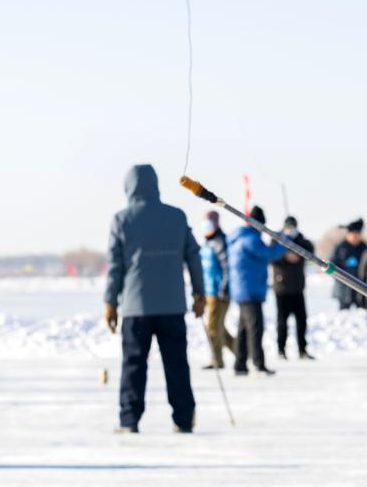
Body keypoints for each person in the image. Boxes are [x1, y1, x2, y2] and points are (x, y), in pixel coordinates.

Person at [104, 164, 204, 434]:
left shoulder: (122, 220)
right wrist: (199, 294)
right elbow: (194, 257)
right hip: (172, 306)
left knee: (134, 365)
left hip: (136, 308)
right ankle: (183, 419)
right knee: (176, 364)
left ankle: (129, 419)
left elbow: (115, 268)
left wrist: (110, 303)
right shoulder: (177, 217)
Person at [226, 206, 286, 376]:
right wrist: (285, 240)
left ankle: (240, 364)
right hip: (249, 290)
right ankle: (258, 364)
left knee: (244, 329)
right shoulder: (251, 239)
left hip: (242, 289)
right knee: (255, 328)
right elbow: (269, 254)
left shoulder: (239, 237)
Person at [271, 216, 315, 360]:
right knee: (282, 322)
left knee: (301, 320)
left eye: (293, 228)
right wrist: (285, 255)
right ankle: (281, 350)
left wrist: (297, 248)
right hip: (281, 288)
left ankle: (302, 350)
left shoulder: (301, 240)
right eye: (288, 228)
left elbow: (310, 250)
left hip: (297, 288)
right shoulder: (276, 238)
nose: (291, 230)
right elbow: (271, 256)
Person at [199, 211, 234, 370]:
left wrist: (224, 288)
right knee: (219, 327)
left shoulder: (220, 241)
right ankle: (242, 352)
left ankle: (217, 360)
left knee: (213, 327)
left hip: (219, 292)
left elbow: (227, 267)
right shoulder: (207, 243)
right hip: (209, 291)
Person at [330, 219, 366, 310]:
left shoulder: (364, 248)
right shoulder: (340, 247)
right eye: (353, 234)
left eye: (357, 234)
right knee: (344, 314)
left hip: (361, 289)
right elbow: (332, 266)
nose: (355, 237)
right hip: (344, 289)